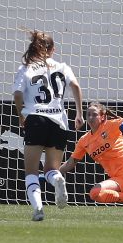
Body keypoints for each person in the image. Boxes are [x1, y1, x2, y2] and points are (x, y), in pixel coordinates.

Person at [13, 30, 84, 221]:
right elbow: (76, 86)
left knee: (31, 171)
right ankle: (57, 179)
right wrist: (79, 113)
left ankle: (38, 209)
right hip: (59, 122)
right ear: (52, 49)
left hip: (36, 118)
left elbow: (18, 94)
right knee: (51, 169)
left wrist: (21, 114)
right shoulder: (62, 66)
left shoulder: (26, 68)